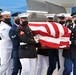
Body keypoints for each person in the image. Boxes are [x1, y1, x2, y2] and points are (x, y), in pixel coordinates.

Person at [63, 6, 76, 75]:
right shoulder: (68, 26)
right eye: (74, 17)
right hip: (68, 51)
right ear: (72, 18)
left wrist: (72, 42)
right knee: (68, 69)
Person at [0, 11, 13, 75]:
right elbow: (7, 37)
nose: (8, 18)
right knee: (4, 64)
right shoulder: (3, 26)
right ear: (2, 18)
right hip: (5, 47)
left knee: (9, 65)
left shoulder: (8, 25)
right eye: (6, 16)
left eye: (9, 16)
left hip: (10, 46)